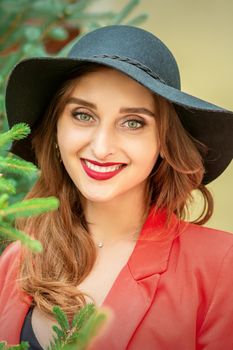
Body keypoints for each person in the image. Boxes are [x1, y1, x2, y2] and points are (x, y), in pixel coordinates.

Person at [0, 25, 233, 350]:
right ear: (56, 129)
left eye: (133, 122)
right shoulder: (15, 261)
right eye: (83, 115)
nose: (101, 146)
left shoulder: (221, 265)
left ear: (164, 142)